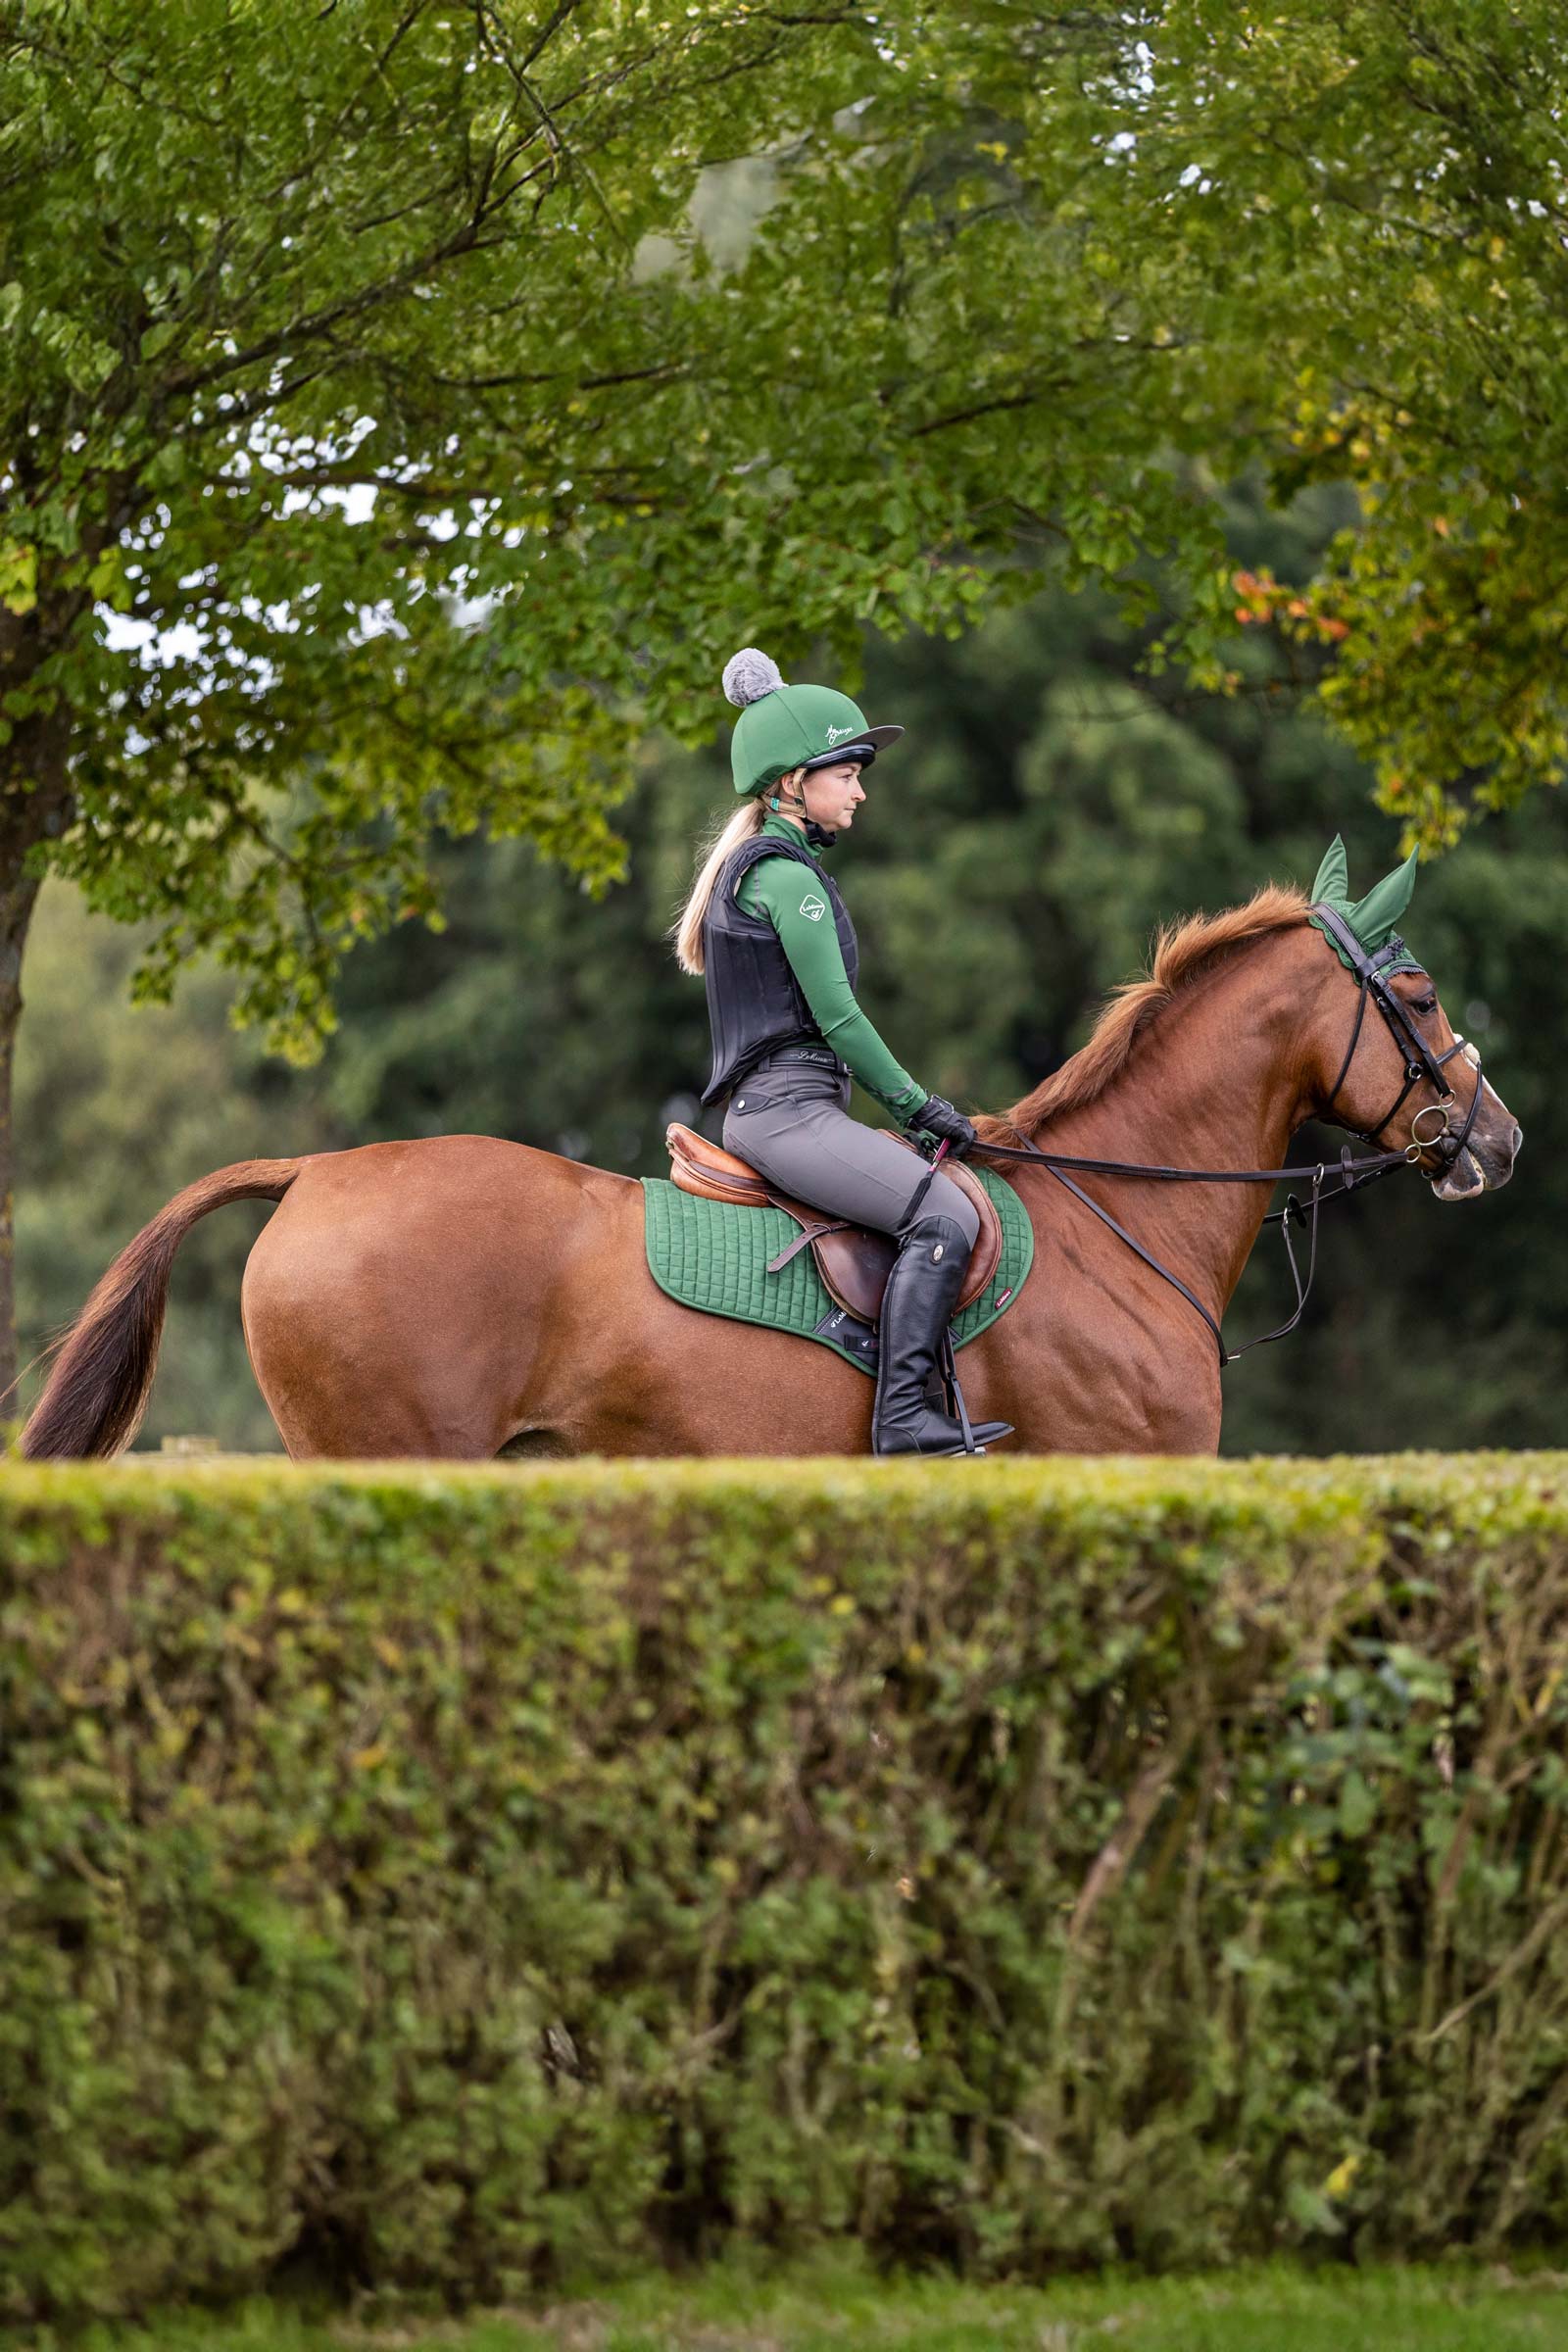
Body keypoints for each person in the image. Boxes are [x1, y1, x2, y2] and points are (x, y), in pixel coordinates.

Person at [671, 649, 1013, 1458]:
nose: (861, 789)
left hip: (788, 1112)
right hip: (783, 1115)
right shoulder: (785, 878)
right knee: (944, 1214)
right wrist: (917, 1105)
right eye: (846, 772)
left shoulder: (773, 869)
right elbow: (841, 1021)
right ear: (792, 783)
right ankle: (903, 1419)